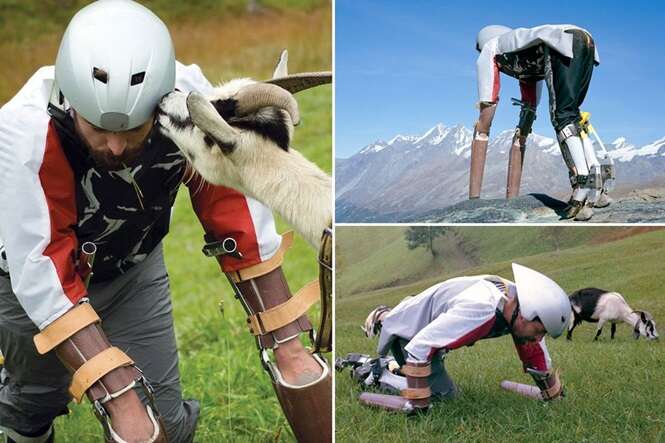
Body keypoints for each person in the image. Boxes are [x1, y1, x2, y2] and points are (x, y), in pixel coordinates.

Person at [0, 1, 330, 442]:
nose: (115, 147)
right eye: (98, 128)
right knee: (34, 404)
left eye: (132, 130)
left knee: (158, 425)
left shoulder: (184, 98)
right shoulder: (22, 134)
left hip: (132, 271)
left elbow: (230, 200)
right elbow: (41, 262)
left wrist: (285, 338)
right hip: (26, 283)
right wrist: (112, 385)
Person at [359, 264, 570, 412]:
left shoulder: (517, 300)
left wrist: (551, 393)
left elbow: (534, 352)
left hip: (433, 317)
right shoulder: (481, 309)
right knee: (445, 397)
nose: (539, 338)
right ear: (524, 314)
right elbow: (420, 347)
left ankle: (390, 318)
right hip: (410, 334)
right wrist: (417, 403)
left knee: (436, 349)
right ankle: (378, 372)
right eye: (539, 331)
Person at [469, 24, 612, 221]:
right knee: (572, 114)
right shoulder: (523, 50)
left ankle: (581, 185)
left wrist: (482, 128)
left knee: (561, 117)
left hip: (560, 43)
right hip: (586, 41)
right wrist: (523, 128)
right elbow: (530, 104)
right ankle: (597, 186)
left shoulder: (491, 48)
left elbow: (488, 98)